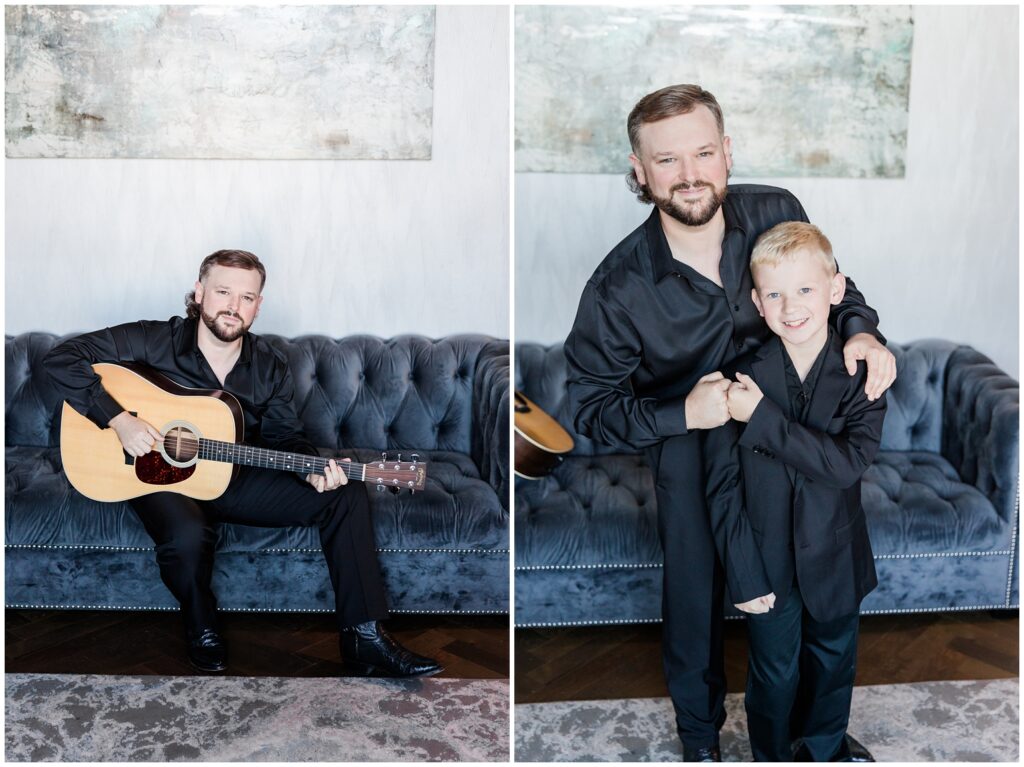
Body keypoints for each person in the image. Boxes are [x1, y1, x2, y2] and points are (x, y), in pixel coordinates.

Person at [563, 84, 896, 761]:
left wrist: (862, 331)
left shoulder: (777, 209)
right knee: (695, 603)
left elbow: (832, 281)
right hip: (690, 455)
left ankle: (813, 737)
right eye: (666, 160)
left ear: (727, 152)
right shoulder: (617, 285)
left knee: (804, 594)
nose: (689, 174)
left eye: (704, 152)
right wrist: (682, 410)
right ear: (639, 169)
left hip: (790, 438)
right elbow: (590, 409)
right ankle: (701, 740)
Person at [44, 249, 442, 678]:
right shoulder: (152, 339)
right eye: (222, 292)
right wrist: (119, 420)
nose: (234, 306)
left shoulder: (269, 365)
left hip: (233, 475)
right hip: (158, 477)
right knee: (187, 532)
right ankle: (201, 625)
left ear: (258, 305)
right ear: (199, 293)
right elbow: (60, 359)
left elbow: (285, 436)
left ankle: (363, 637)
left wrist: (310, 467)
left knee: (345, 493)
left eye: (247, 297)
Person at [704, 222, 886, 761]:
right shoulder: (738, 375)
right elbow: (722, 487)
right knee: (773, 674)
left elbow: (845, 464)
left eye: (805, 290)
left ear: (835, 290)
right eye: (776, 294)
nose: (791, 307)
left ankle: (826, 749)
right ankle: (773, 753)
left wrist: (761, 418)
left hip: (836, 555)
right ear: (758, 303)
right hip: (765, 562)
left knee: (833, 666)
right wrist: (742, 570)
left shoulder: (865, 371)